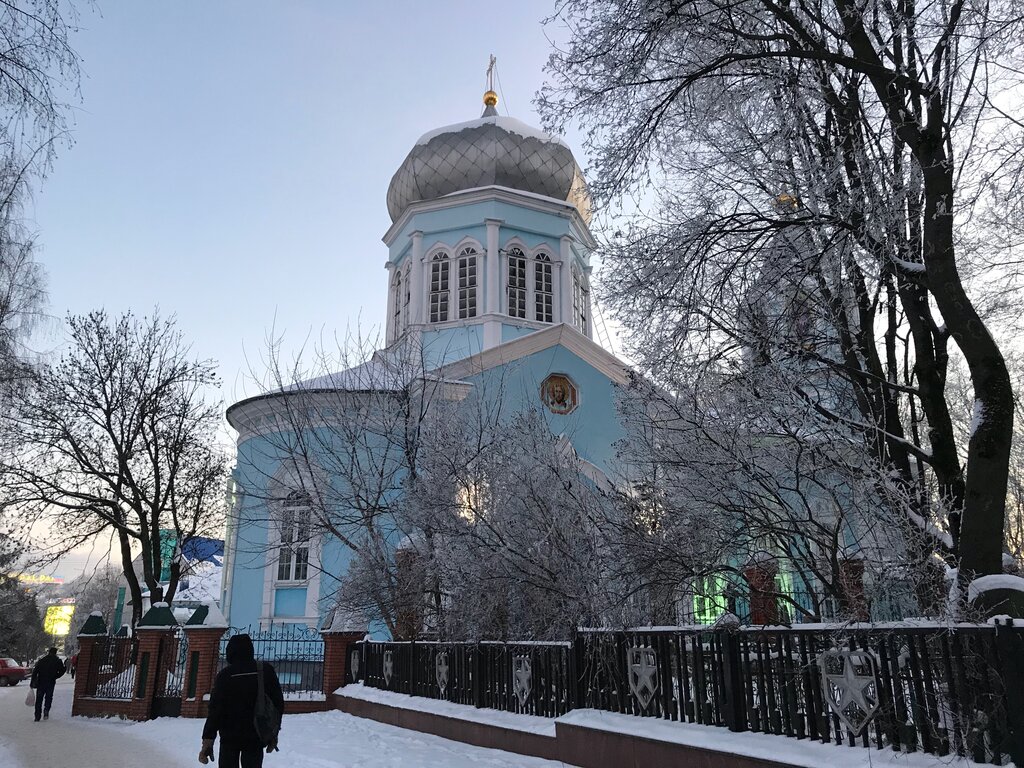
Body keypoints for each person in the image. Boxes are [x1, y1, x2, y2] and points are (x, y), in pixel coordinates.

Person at [200, 634, 284, 767]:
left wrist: (208, 739)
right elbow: (278, 703)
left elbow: (215, 710)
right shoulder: (265, 671)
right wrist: (273, 732)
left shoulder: (225, 675)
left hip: (229, 737)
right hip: (256, 733)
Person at [30, 647, 66, 722]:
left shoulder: (42, 660)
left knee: (39, 699)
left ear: (49, 652)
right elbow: (62, 671)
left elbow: (35, 671)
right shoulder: (57, 661)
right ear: (55, 653)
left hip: (41, 682)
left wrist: (32, 682)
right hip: (51, 682)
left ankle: (37, 716)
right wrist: (56, 676)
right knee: (49, 698)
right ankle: (46, 710)